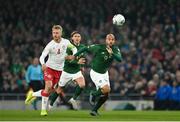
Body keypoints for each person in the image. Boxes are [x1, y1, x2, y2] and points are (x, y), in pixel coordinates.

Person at [25, 25, 77, 116]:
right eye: (54, 33)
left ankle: (32, 94)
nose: (55, 35)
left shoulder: (66, 42)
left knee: (48, 91)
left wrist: (74, 55)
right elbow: (42, 56)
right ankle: (43, 111)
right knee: (48, 87)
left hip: (60, 71)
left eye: (57, 33)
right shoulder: (50, 45)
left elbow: (74, 48)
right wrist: (43, 64)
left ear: (61, 33)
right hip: (49, 69)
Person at [74, 33, 122, 116]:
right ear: (106, 40)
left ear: (114, 41)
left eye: (112, 40)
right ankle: (93, 94)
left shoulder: (115, 49)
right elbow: (85, 48)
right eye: (109, 39)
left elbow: (120, 59)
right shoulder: (99, 47)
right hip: (96, 73)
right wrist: (74, 56)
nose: (110, 41)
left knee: (106, 95)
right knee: (106, 89)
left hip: (104, 73)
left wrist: (112, 53)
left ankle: (94, 110)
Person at [49, 31, 86, 110]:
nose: (77, 38)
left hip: (76, 71)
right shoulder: (68, 46)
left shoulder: (83, 47)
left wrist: (82, 66)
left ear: (81, 38)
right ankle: (50, 104)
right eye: (75, 36)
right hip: (66, 71)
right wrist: (77, 62)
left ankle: (73, 99)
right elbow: (66, 59)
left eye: (79, 36)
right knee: (59, 90)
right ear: (72, 38)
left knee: (82, 85)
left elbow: (82, 58)